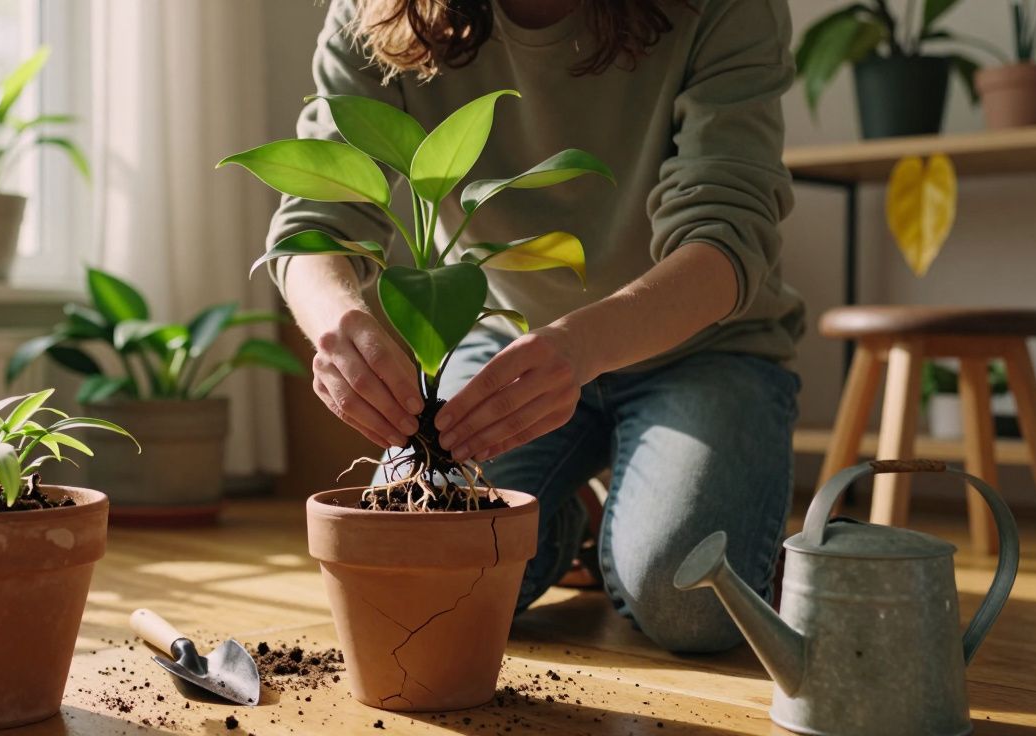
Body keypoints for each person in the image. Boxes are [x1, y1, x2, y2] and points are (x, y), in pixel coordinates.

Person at [267, 0, 802, 654]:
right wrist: (338, 323)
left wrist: (580, 347)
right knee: (417, 565)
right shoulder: (381, 11)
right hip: (507, 348)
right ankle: (567, 516)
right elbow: (317, 219)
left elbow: (729, 235)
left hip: (703, 348)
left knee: (687, 598)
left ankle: (606, 513)